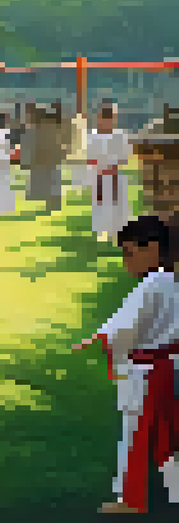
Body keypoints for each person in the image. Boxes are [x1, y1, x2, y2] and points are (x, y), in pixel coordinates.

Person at [74, 216, 179, 514]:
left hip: (148, 373)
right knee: (166, 437)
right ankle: (175, 490)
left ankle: (130, 500)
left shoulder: (153, 284)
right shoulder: (170, 282)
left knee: (135, 436)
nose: (125, 261)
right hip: (169, 367)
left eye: (129, 253)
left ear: (153, 249)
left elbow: (125, 328)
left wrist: (101, 337)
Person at [87, 104, 134, 242]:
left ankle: (117, 231)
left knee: (116, 205)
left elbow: (125, 157)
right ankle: (101, 232)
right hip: (100, 175)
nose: (107, 121)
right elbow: (90, 157)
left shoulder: (120, 136)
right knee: (101, 204)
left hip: (115, 175)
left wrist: (114, 164)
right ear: (99, 117)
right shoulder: (93, 136)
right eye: (104, 117)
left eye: (110, 117)